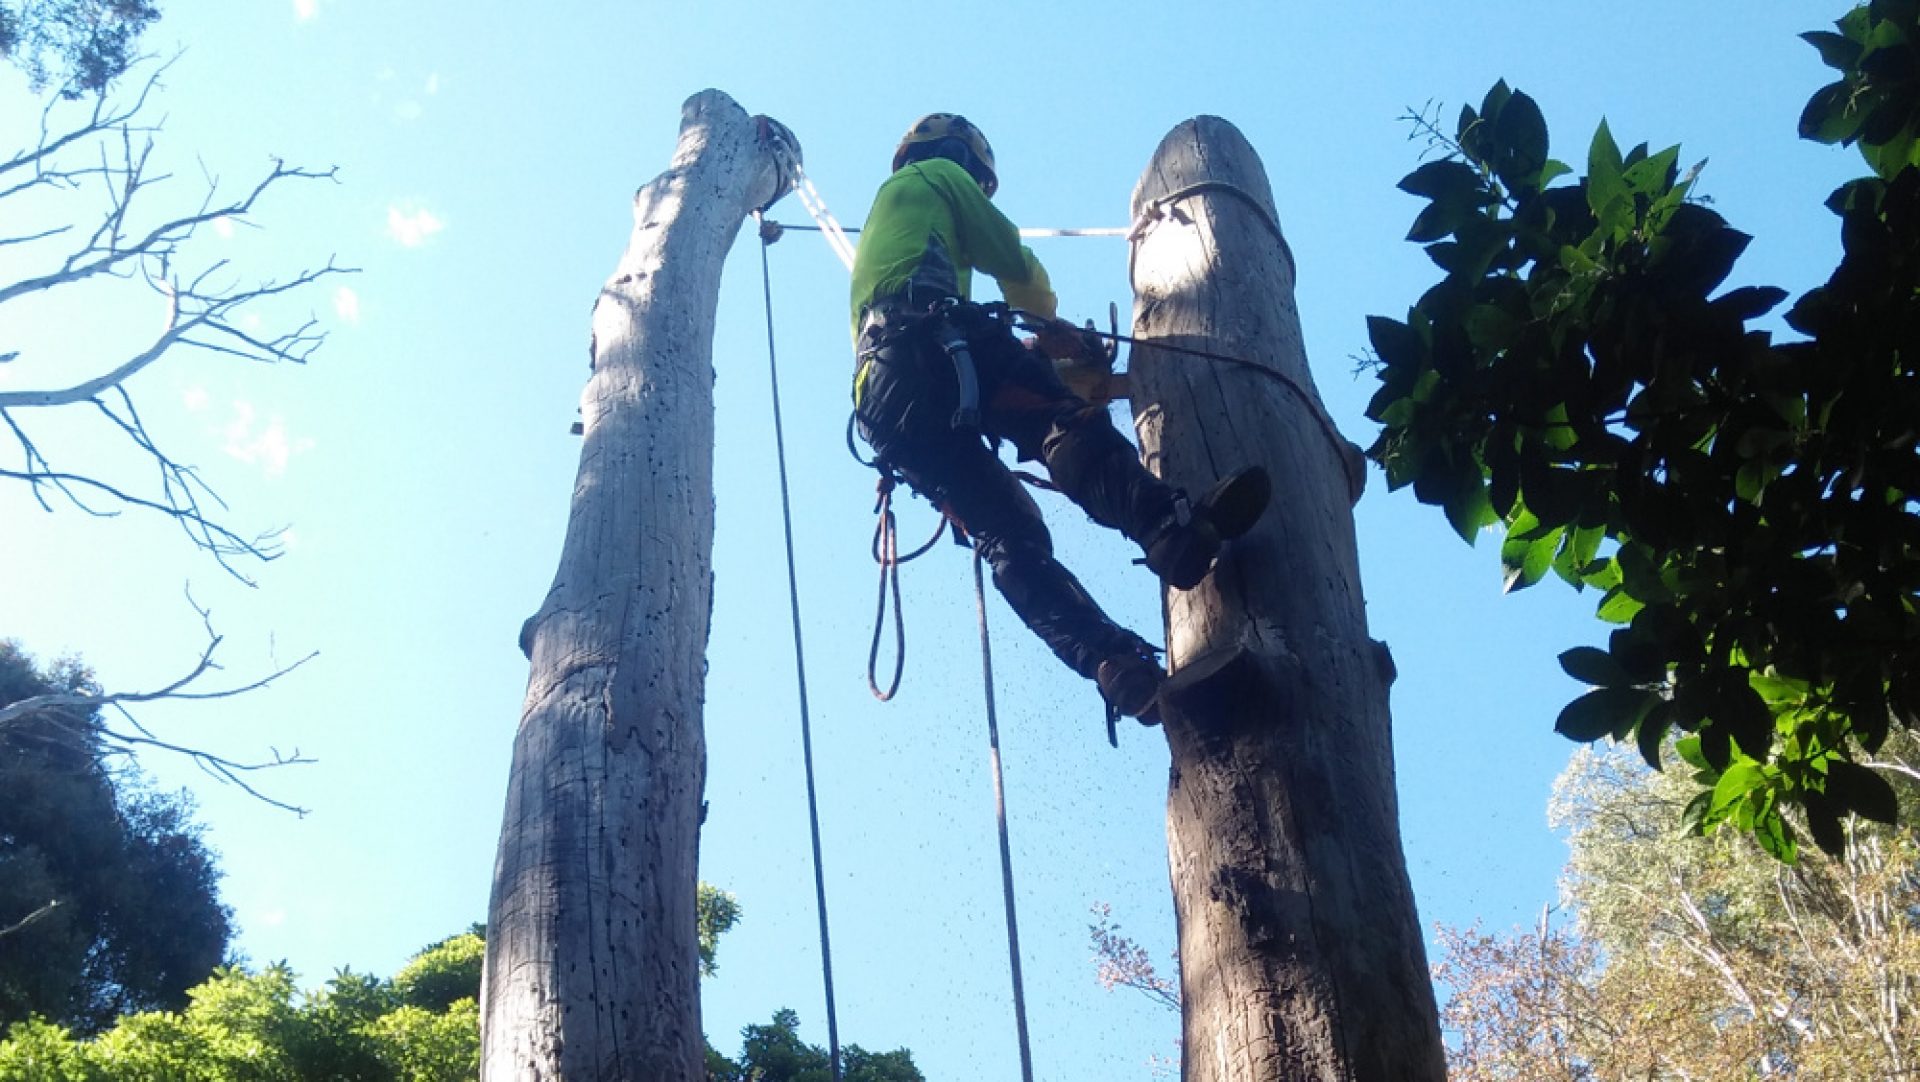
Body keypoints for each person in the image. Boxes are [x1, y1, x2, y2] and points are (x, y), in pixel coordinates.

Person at [849, 112, 1269, 721]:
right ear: (962, 161)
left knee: (1008, 536)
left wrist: (1038, 358)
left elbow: (953, 370)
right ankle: (1166, 526)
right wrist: (1052, 328)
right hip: (933, 341)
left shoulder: (890, 237)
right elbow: (1015, 264)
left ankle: (1113, 664)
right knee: (1058, 425)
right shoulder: (938, 176)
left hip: (887, 405)